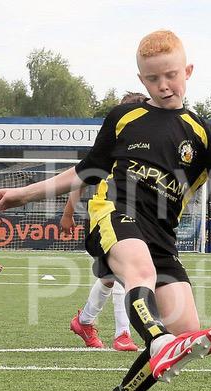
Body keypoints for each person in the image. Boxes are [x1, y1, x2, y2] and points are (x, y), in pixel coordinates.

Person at [0, 29, 211, 391]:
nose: (164, 85)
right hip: (115, 211)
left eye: (171, 75)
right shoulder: (124, 118)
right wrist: (22, 194)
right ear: (142, 80)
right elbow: (84, 171)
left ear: (188, 71)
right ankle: (158, 342)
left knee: (187, 330)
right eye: (153, 79)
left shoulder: (203, 132)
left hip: (162, 236)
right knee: (141, 275)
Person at [61, 92, 148, 352]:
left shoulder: (147, 151)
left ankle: (84, 321)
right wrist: (68, 214)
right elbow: (80, 178)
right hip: (105, 214)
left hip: (134, 216)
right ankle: (123, 334)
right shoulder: (110, 148)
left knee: (110, 277)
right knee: (126, 272)